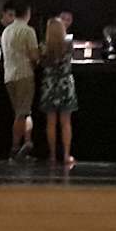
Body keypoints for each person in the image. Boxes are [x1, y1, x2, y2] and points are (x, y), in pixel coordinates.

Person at [0, 1, 39, 161]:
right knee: (22, 114)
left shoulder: (6, 31)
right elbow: (34, 55)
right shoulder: (28, 31)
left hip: (9, 75)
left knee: (23, 112)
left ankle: (27, 145)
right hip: (24, 74)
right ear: (27, 13)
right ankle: (15, 149)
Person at [40, 9, 79, 169]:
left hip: (49, 85)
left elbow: (39, 61)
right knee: (66, 123)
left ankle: (52, 155)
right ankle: (66, 154)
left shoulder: (44, 46)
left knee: (50, 123)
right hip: (65, 85)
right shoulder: (68, 44)